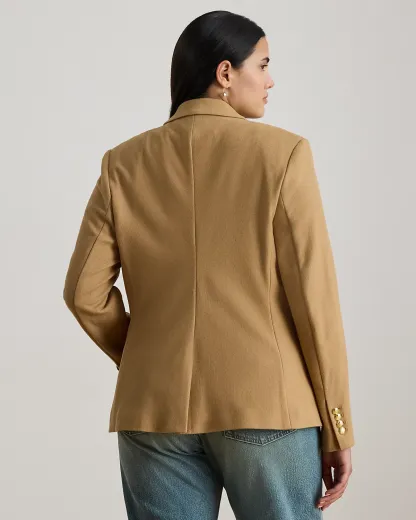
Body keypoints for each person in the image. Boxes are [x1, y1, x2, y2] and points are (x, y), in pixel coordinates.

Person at [63, 10, 355, 520]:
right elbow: (315, 302)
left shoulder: (123, 163)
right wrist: (338, 425)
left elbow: (83, 294)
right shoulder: (283, 154)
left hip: (153, 411)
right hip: (268, 407)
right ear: (225, 73)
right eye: (262, 65)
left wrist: (147, 357)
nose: (270, 80)